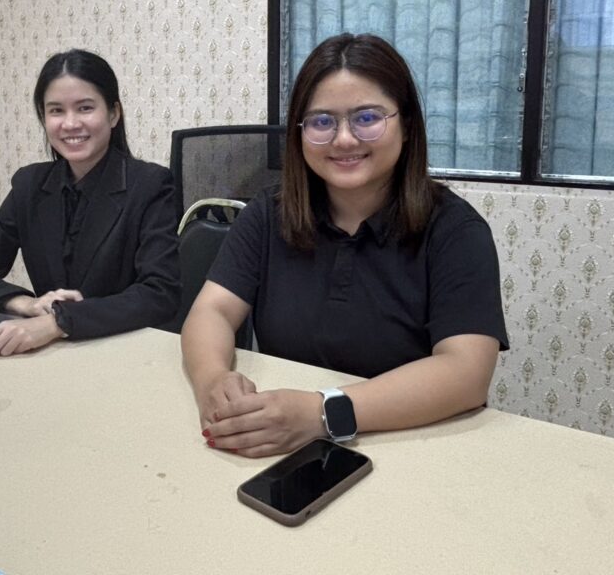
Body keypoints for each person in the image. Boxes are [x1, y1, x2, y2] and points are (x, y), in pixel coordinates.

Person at [181, 33, 509, 457]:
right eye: (322, 122)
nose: (344, 140)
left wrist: (322, 413)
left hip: (414, 442)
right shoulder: (268, 213)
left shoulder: (456, 231)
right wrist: (212, 379)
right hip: (285, 446)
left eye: (366, 118)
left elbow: (466, 372)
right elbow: (212, 310)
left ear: (407, 125)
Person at [0, 49, 180, 355]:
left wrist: (60, 321)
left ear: (113, 114)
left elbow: (160, 294)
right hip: (49, 355)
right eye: (56, 111)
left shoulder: (150, 185)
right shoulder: (29, 185)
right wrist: (25, 304)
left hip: (123, 351)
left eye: (85, 108)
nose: (70, 123)